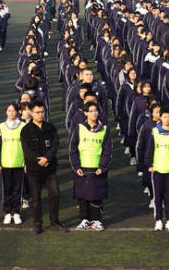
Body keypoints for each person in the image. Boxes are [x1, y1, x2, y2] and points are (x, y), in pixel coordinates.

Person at [68, 101, 112, 231]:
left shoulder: (104, 128)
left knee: (97, 195)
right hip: (82, 167)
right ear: (85, 113)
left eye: (95, 110)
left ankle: (96, 220)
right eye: (91, 111)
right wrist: (76, 166)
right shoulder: (79, 128)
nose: (94, 113)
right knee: (82, 195)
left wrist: (102, 166)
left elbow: (107, 149)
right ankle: (84, 219)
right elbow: (73, 149)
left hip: (97, 168)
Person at [20, 100, 62, 234]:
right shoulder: (26, 130)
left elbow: (55, 144)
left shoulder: (50, 127)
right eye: (37, 112)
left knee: (55, 194)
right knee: (35, 198)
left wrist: (47, 158)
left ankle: (54, 222)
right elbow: (26, 150)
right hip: (34, 169)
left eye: (42, 112)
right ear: (31, 113)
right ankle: (37, 224)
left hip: (50, 168)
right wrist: (39, 159)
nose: (40, 115)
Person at [145, 107, 169, 231]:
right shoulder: (155, 132)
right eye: (164, 117)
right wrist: (149, 165)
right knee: (158, 197)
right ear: (160, 118)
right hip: (157, 170)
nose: (167, 119)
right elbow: (150, 149)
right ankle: (158, 220)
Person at [0, 102, 26, 226]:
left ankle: (17, 213)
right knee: (7, 189)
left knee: (18, 189)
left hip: (19, 163)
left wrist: (26, 163)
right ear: (6, 112)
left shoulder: (23, 126)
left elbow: (26, 146)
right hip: (5, 164)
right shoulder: (1, 127)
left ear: (18, 112)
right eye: (9, 111)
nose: (11, 113)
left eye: (13, 110)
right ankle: (7, 213)